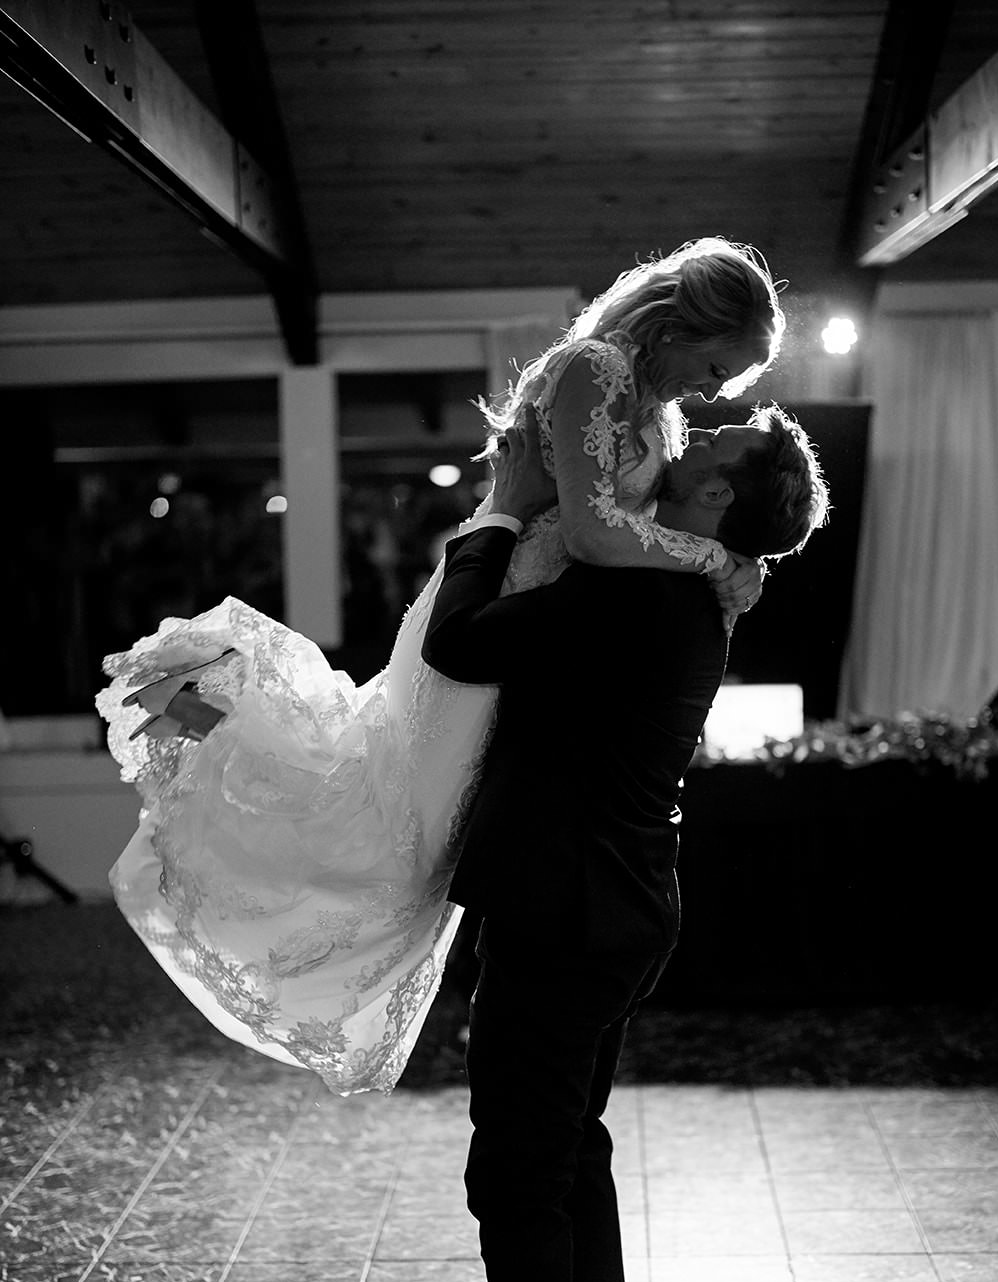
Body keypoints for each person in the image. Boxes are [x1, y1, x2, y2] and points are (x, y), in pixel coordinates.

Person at [95, 238, 801, 1096]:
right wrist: (710, 557)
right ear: (684, 323)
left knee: (407, 815)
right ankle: (202, 701)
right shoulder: (595, 369)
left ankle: (208, 707)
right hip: (493, 594)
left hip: (528, 626)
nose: (718, 390)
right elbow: (586, 533)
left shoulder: (660, 413)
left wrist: (717, 556)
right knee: (377, 797)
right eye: (720, 365)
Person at [411, 397, 827, 1282]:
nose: (691, 441)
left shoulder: (638, 588)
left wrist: (496, 515)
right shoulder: (685, 589)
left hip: (565, 908)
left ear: (719, 494)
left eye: (714, 445)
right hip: (619, 904)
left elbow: (458, 646)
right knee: (569, 1140)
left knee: (514, 1165)